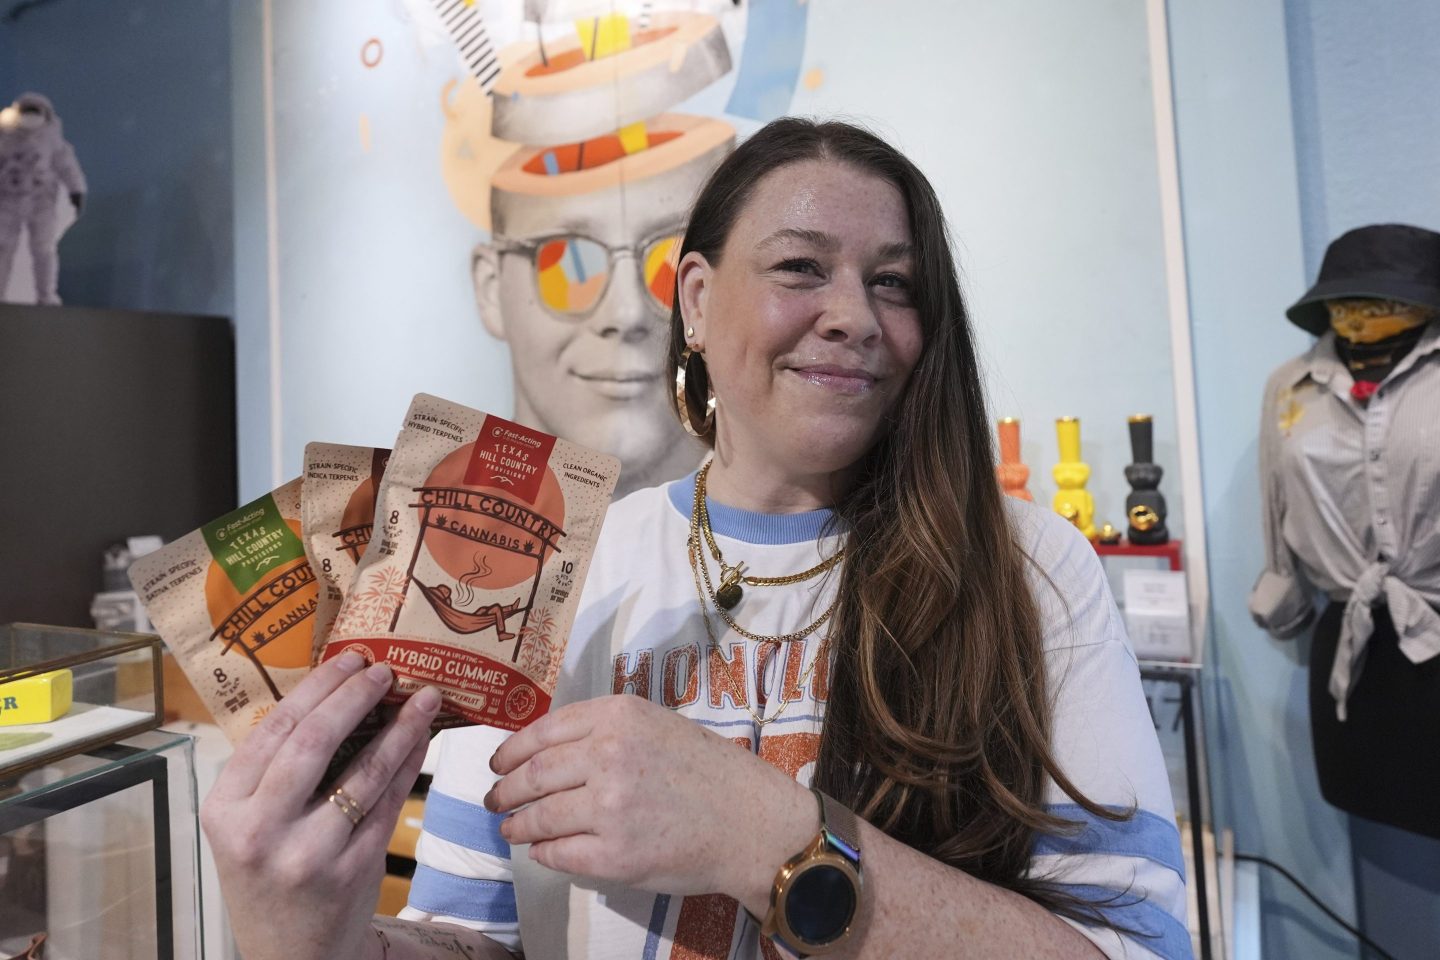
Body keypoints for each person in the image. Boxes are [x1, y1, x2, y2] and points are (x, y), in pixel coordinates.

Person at [203, 118, 1189, 960]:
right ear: (697, 302)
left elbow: (1137, 949)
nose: (855, 316)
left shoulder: (1028, 568)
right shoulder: (555, 577)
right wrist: (322, 938)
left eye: (895, 282)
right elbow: (480, 937)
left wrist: (765, 834)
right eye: (801, 267)